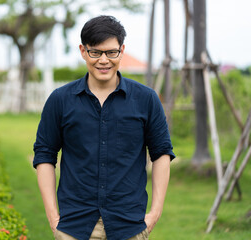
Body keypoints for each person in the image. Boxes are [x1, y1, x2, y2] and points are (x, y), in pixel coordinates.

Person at [33, 15, 175, 240]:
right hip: (74, 226)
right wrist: (53, 218)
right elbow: (44, 156)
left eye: (111, 52)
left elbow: (161, 154)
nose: (103, 60)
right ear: (83, 51)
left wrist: (155, 214)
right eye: (95, 52)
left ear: (122, 50)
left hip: (129, 225)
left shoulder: (146, 99)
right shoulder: (60, 100)